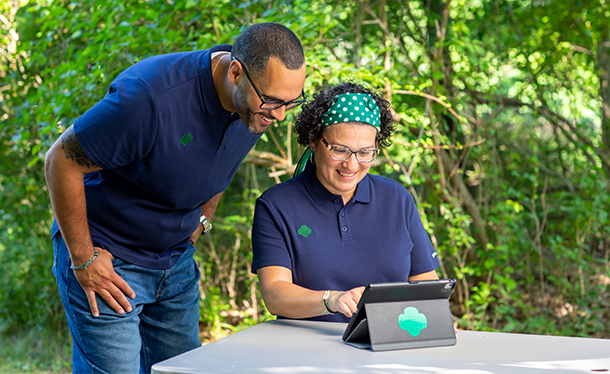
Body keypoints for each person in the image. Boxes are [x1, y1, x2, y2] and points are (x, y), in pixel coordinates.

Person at [44, 22, 306, 373]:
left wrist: (201, 222)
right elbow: (60, 162)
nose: (280, 115)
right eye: (273, 101)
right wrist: (83, 258)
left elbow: (219, 163)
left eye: (290, 102)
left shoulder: (255, 104)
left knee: (183, 370)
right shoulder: (149, 97)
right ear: (235, 72)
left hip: (175, 264)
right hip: (109, 259)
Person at [251, 82, 440, 323]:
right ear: (313, 140)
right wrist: (331, 300)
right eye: (339, 150)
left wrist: (436, 321)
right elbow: (275, 293)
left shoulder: (397, 200)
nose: (351, 165)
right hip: (309, 350)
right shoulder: (276, 205)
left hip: (389, 344)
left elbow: (426, 284)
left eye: (364, 152)